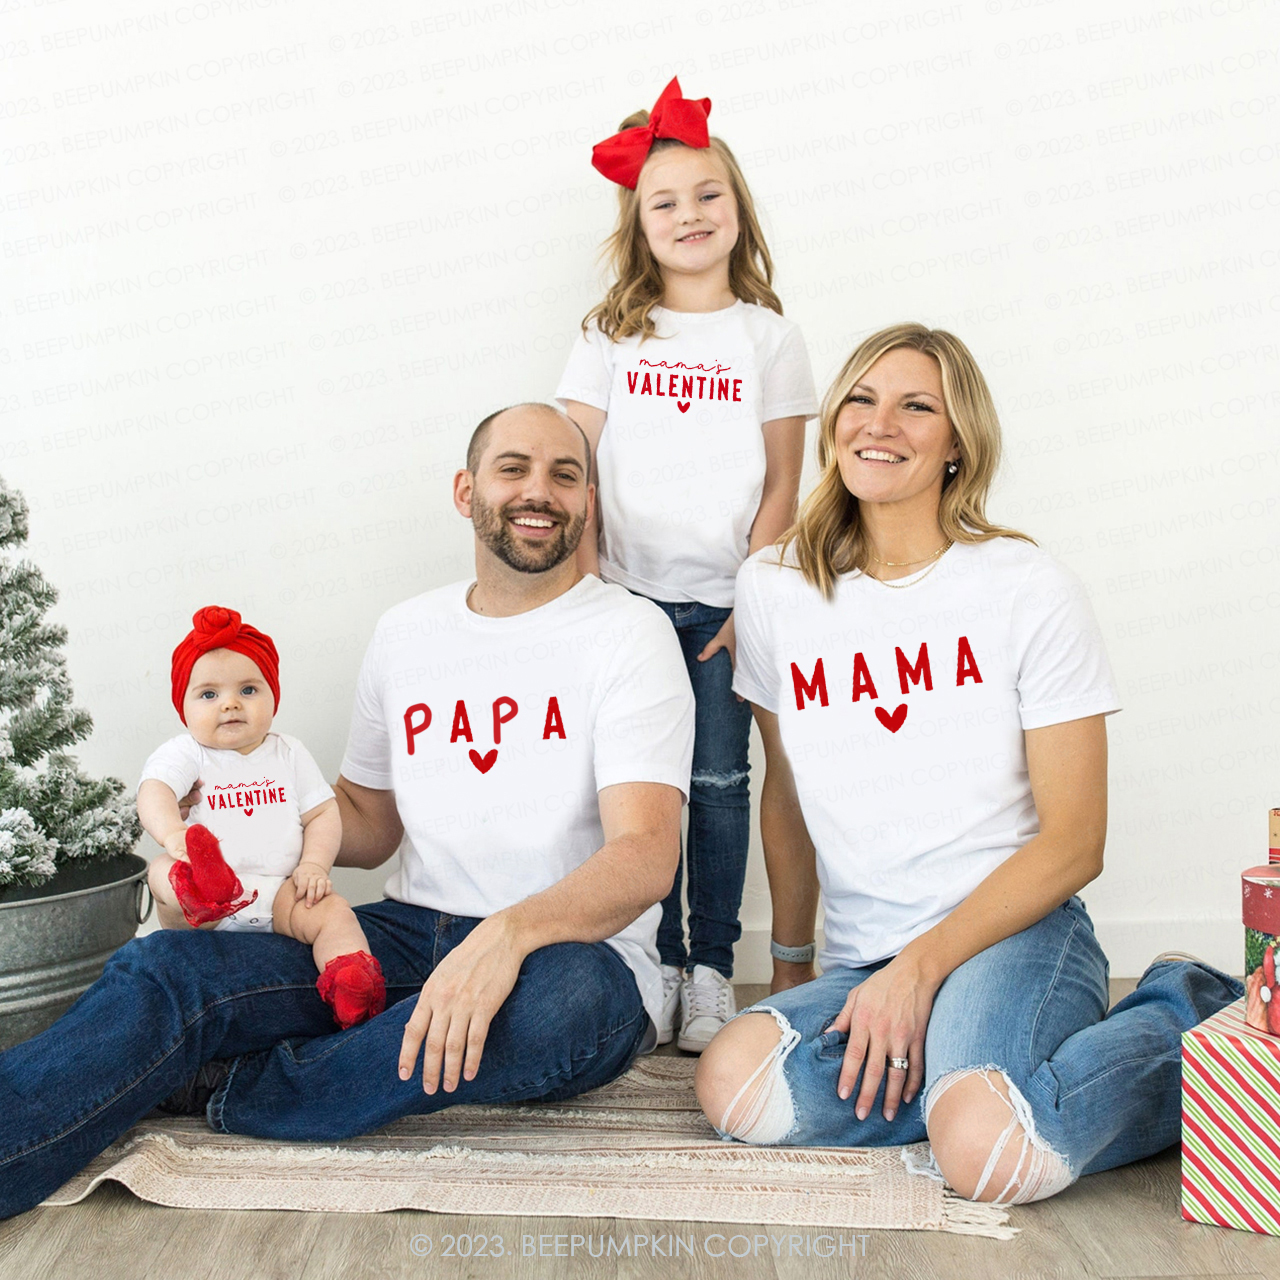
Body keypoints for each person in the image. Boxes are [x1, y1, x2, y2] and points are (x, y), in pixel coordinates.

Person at [0, 403, 695, 1221]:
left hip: (571, 953)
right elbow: (365, 819)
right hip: (410, 931)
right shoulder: (408, 632)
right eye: (514, 468)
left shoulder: (629, 631)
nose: (538, 490)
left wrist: (507, 936)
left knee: (560, 1006)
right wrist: (236, 814)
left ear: (587, 501)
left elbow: (646, 856)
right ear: (467, 489)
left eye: (564, 474)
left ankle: (231, 1085)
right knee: (166, 970)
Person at [693, 323, 1242, 1204]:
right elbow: (788, 797)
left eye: (918, 407)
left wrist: (924, 968)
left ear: (959, 444)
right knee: (736, 1083)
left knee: (987, 1159)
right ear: (834, 421)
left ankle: (1188, 1014)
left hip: (1015, 933)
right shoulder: (776, 586)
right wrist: (797, 972)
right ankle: (982, 1075)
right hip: (869, 960)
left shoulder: (1025, 586)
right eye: (862, 401)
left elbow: (1075, 842)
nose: (881, 425)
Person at [557, 77, 818, 1052]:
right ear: (638, 222)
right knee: (641, 788)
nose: (688, 215)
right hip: (624, 601)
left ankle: (711, 967)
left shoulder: (769, 338)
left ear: (737, 205)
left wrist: (752, 599)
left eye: (706, 194)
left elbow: (784, 488)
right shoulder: (607, 334)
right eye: (663, 202)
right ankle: (653, 960)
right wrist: (587, 593)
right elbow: (575, 466)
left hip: (722, 603)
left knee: (717, 781)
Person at [139, 605, 385, 1029]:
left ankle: (350, 981)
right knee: (163, 870)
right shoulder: (187, 753)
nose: (231, 704)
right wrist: (173, 832)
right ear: (184, 706)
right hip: (205, 910)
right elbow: (154, 791)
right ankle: (201, 886)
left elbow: (323, 812)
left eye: (248, 690)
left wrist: (313, 865)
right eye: (209, 694)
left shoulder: (288, 752)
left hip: (280, 893)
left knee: (335, 913)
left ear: (273, 696)